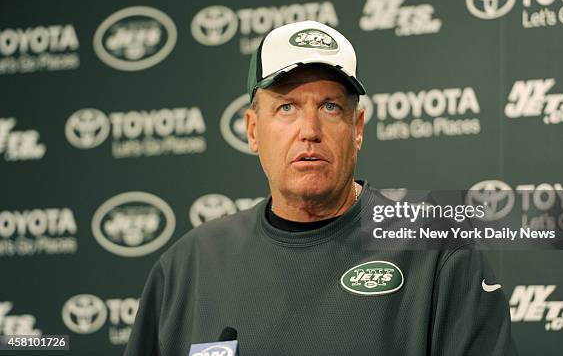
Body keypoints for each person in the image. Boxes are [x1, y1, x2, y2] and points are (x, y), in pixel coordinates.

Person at [124, 21, 517, 355]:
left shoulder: (438, 255)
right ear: (252, 130)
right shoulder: (186, 269)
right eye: (287, 107)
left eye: (330, 107)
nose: (309, 131)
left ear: (357, 128)